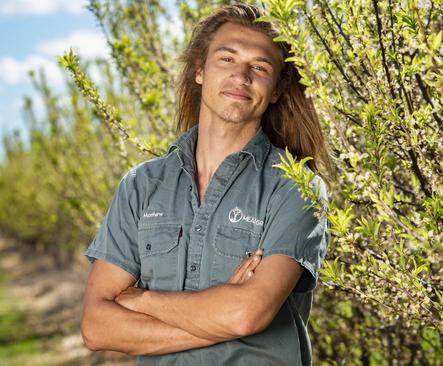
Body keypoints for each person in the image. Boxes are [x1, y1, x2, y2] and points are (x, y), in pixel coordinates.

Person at [80, 4, 330, 365]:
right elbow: (97, 327)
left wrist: (143, 300)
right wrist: (223, 313)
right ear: (200, 69)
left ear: (276, 89)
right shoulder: (141, 186)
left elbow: (248, 314)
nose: (241, 76)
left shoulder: (296, 187)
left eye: (259, 67)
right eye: (227, 59)